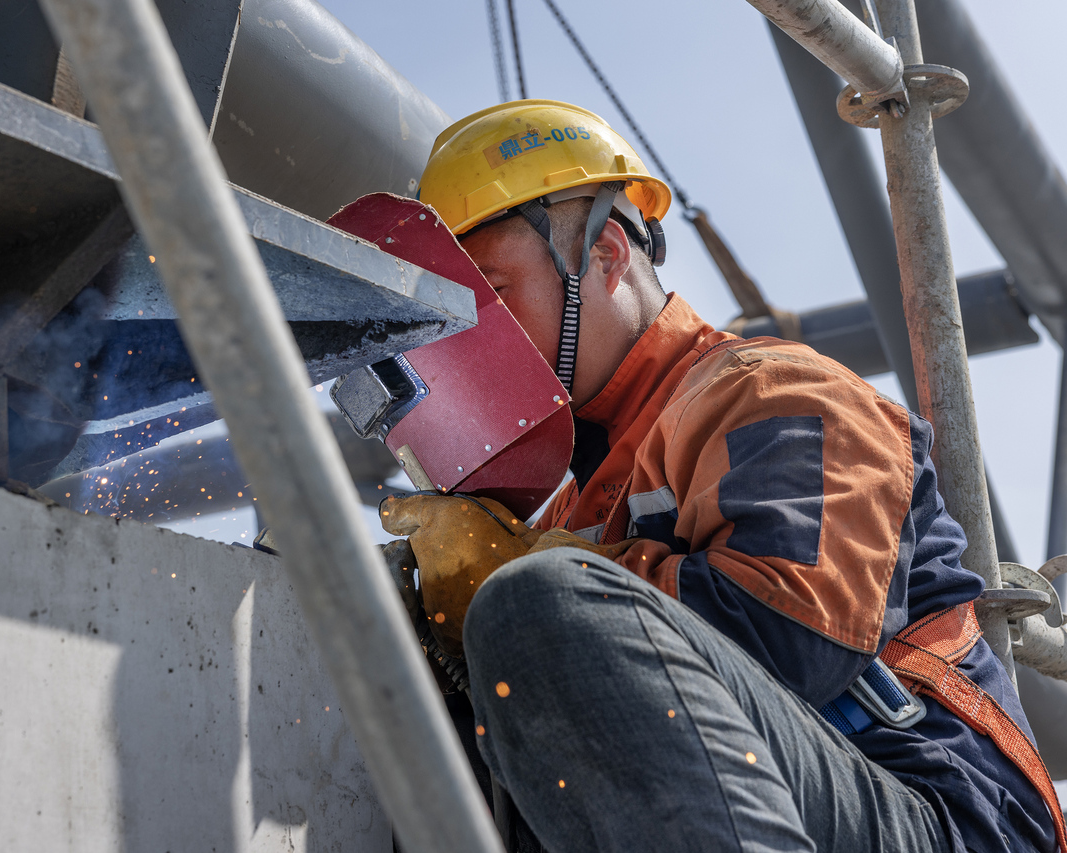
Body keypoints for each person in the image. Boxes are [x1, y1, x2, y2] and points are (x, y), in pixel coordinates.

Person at [379, 100, 1064, 853]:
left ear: (605, 254)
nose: (478, 343)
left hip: (937, 809)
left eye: (495, 294)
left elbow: (793, 635)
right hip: (786, 811)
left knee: (536, 606)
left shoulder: (771, 392)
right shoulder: (580, 501)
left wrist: (518, 572)